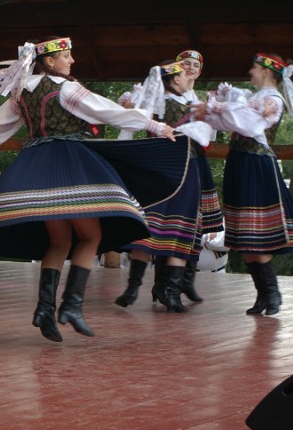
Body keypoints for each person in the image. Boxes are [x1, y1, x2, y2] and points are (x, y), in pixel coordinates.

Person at [0, 37, 184, 343]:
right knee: (91, 236)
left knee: (59, 241)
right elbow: (107, 111)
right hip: (68, 162)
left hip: (37, 164)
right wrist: (155, 126)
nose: (72, 61)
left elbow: (0, 123)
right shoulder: (66, 88)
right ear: (50, 62)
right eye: (67, 56)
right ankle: (72, 305)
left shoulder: (21, 91)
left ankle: (45, 307)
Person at [192, 52, 293, 316]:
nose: (250, 72)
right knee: (245, 238)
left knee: (255, 236)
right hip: (240, 162)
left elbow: (247, 124)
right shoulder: (252, 98)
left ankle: (271, 293)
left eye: (254, 68)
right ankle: (263, 294)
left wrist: (217, 108)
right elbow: (231, 120)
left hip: (257, 165)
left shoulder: (272, 100)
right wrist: (209, 113)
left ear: (267, 72)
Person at [114, 61, 212, 313]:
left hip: (160, 172)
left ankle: (140, 288)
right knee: (172, 229)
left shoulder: (157, 103)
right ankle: (166, 292)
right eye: (182, 73)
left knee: (151, 229)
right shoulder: (171, 104)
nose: (186, 75)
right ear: (174, 80)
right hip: (179, 172)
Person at [175, 49, 224, 302]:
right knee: (172, 220)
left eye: (195, 65)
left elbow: (210, 137)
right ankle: (166, 282)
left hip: (195, 159)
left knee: (196, 221)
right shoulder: (168, 93)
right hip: (174, 159)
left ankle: (187, 280)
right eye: (186, 63)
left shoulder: (202, 97)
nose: (190, 67)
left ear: (200, 71)